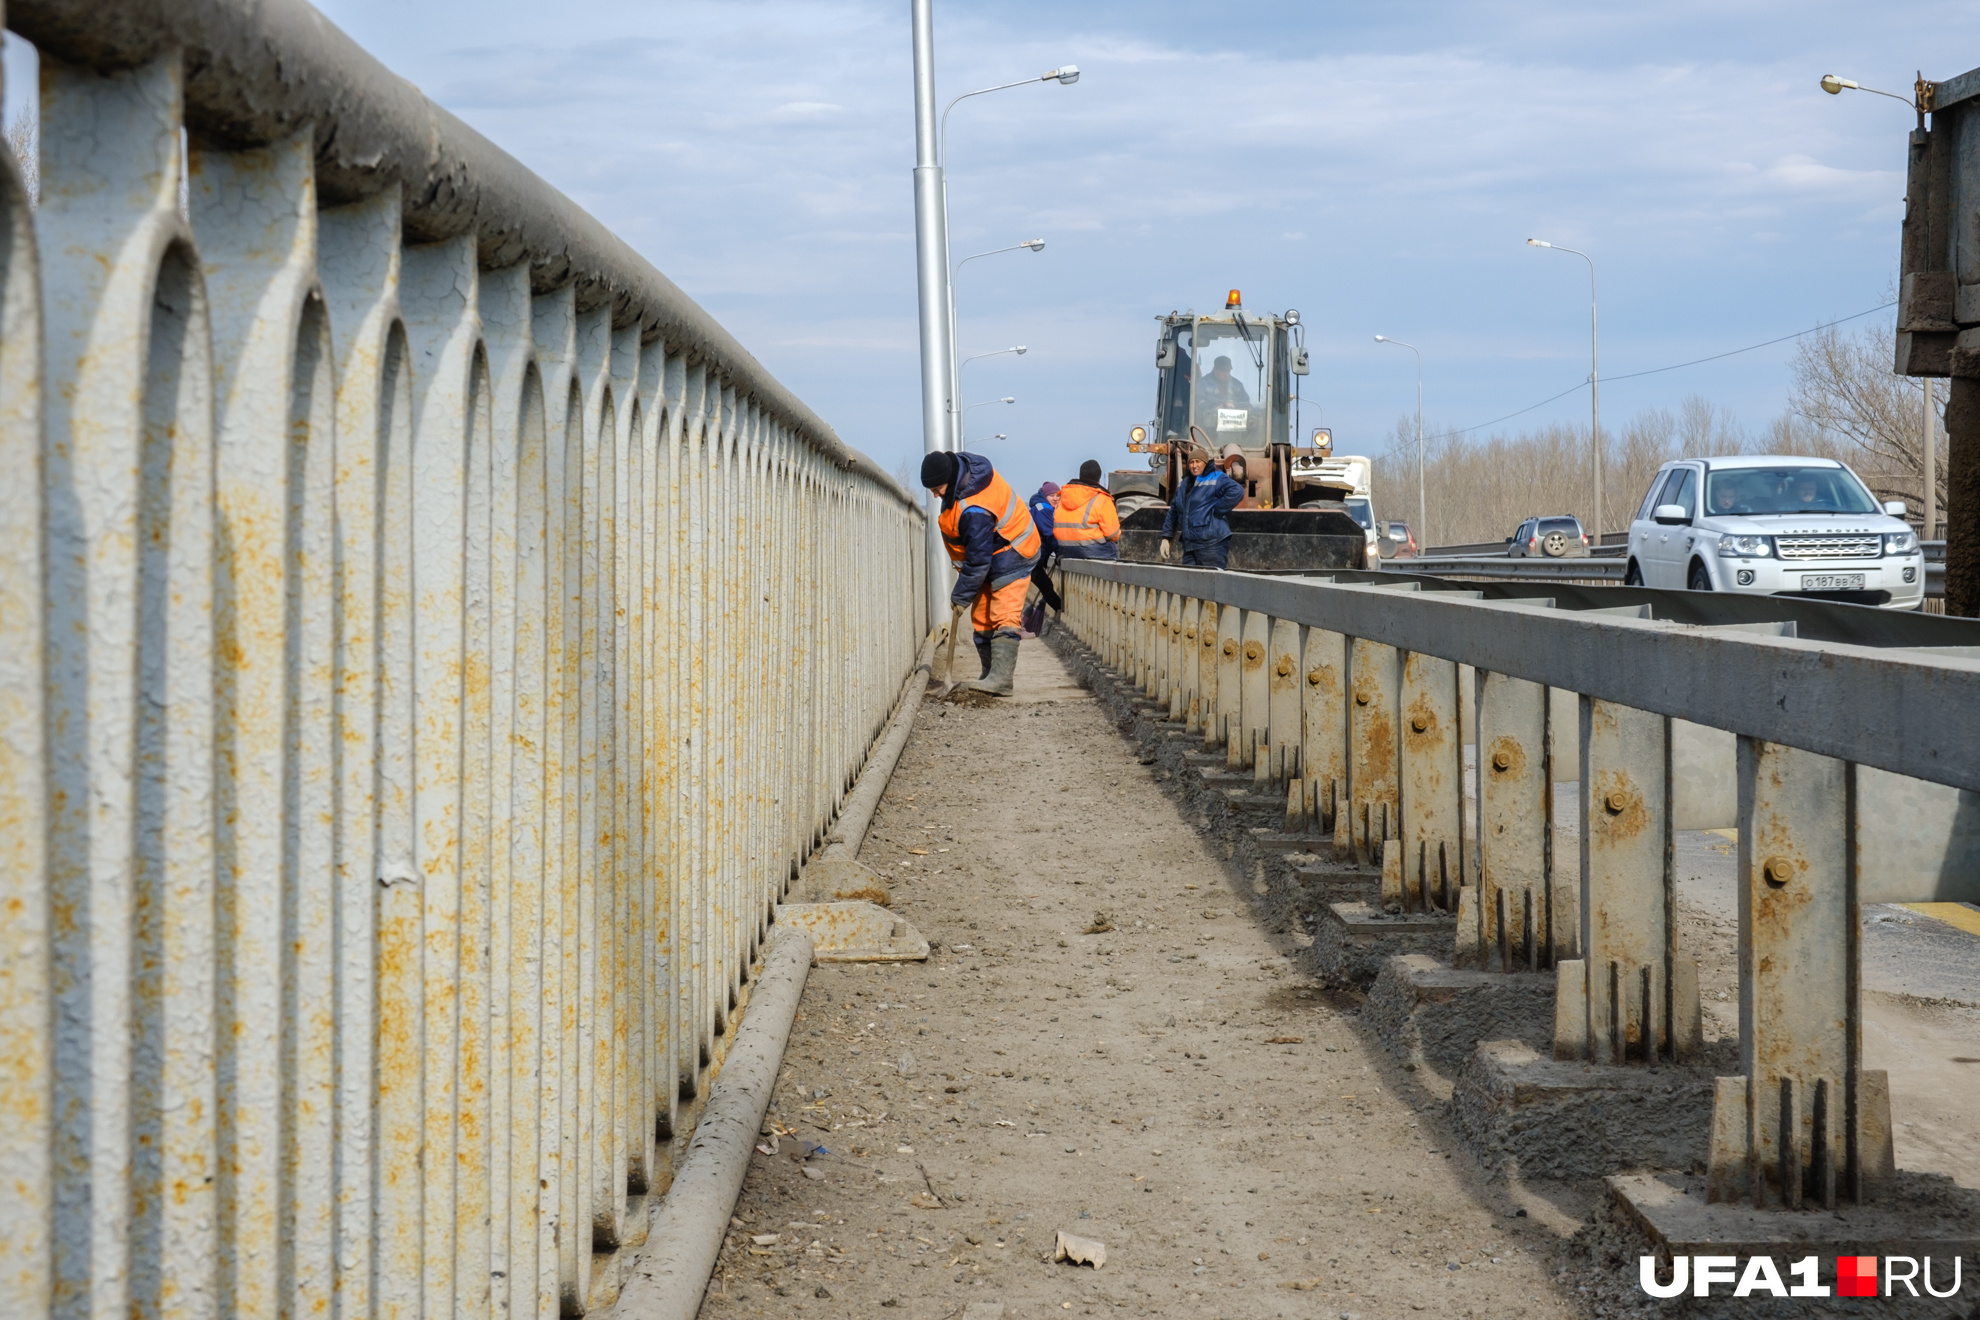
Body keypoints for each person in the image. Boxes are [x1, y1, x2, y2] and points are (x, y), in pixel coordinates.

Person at [922, 449, 1040, 696]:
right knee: (982, 616)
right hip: (995, 553)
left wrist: (960, 596)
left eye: (937, 488)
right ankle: (989, 675)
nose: (934, 495)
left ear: (950, 479)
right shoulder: (960, 476)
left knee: (1004, 613)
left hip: (1015, 552)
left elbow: (977, 560)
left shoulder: (974, 509)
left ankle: (1001, 680)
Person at [1158, 444, 1245, 569]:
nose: (1194, 466)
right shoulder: (1184, 484)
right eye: (1191, 462)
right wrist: (1166, 538)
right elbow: (1174, 510)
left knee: (1211, 584)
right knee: (1189, 585)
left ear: (1205, 463)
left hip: (1212, 545)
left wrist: (1217, 509)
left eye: (1198, 462)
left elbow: (1237, 491)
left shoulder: (1217, 477)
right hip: (1190, 546)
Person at [1053, 459, 1121, 561]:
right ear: (1098, 478)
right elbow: (1113, 535)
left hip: (1063, 549)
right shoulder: (1102, 499)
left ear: (1081, 476)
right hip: (1090, 549)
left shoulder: (1063, 496)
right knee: (1113, 548)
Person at [1026, 480, 1065, 619]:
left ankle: (1060, 612)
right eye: (1052, 495)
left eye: (1057, 495)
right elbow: (1049, 533)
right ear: (1045, 496)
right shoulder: (1043, 509)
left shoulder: (1040, 508)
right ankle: (1062, 612)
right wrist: (1060, 552)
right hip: (1031, 558)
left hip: (1032, 557)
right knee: (1046, 586)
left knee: (1046, 586)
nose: (1055, 498)